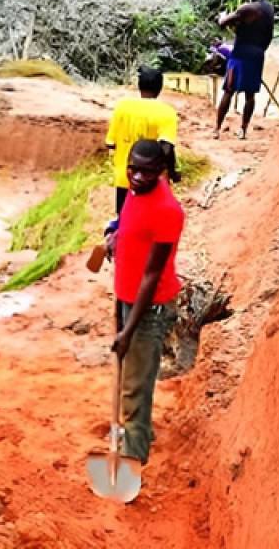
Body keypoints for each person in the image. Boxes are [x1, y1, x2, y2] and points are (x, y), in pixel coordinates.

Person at [106, 139, 184, 467]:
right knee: (132, 376)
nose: (136, 176)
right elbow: (129, 224)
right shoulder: (135, 189)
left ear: (161, 172)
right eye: (132, 168)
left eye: (146, 172)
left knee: (134, 389)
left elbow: (151, 277)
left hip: (148, 307)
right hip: (126, 294)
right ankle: (141, 432)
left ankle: (132, 461)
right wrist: (115, 237)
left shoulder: (168, 211)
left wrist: (128, 330)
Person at [105, 66, 179, 218]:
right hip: (151, 183)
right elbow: (167, 149)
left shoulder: (122, 107)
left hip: (124, 178)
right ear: (159, 88)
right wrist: (172, 172)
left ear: (139, 86)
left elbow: (110, 143)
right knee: (149, 223)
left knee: (123, 219)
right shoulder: (167, 113)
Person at [214, 0, 275, 140]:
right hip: (257, 54)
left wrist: (221, 17)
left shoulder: (247, 8)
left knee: (228, 90)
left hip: (240, 54)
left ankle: (217, 128)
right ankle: (243, 130)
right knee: (250, 95)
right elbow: (267, 33)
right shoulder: (268, 8)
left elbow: (223, 23)